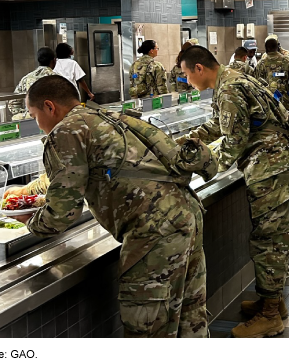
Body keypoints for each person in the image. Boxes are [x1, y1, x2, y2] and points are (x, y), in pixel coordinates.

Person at [16, 75, 217, 338]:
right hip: (186, 213)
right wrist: (33, 192)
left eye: (33, 115)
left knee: (147, 329)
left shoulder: (66, 131)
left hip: (154, 232)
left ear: (50, 106)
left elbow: (62, 213)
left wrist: (29, 222)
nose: (37, 123)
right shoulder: (105, 116)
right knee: (190, 317)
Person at [178, 46, 289, 338]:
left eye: (186, 74)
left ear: (199, 68)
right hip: (276, 162)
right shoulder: (233, 78)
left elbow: (233, 142)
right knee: (275, 235)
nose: (186, 81)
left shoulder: (229, 89)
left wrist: (199, 165)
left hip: (268, 168)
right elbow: (223, 124)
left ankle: (270, 316)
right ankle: (273, 301)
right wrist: (192, 137)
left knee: (268, 239)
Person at [8, 47, 57, 120]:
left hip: (30, 122)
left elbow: (13, 103)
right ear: (54, 61)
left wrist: (26, 114)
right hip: (51, 121)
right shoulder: (57, 79)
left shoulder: (26, 78)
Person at [254, 38, 289, 111]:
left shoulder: (261, 63)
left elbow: (257, 85)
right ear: (277, 47)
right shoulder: (287, 60)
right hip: (285, 102)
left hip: (268, 103)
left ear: (266, 49)